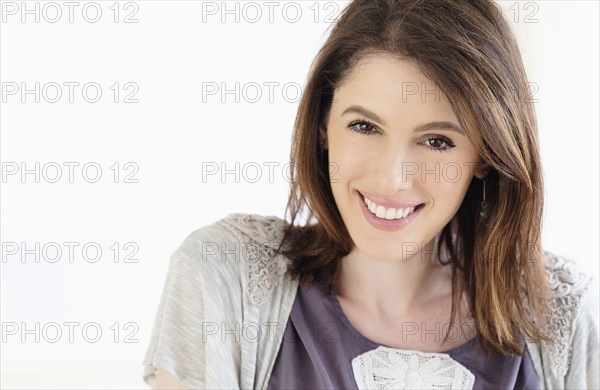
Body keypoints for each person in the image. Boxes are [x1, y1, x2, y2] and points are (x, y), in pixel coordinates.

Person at [142, 0, 599, 388]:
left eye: (437, 140)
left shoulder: (561, 314)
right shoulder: (225, 276)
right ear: (323, 126)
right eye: (364, 126)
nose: (392, 179)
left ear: (486, 153)